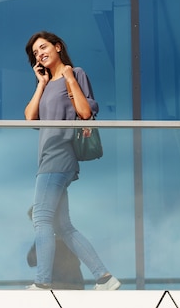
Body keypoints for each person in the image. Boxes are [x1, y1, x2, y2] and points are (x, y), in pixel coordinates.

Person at [23, 31, 121, 290]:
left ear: (57, 47)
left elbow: (85, 111)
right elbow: (30, 118)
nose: (40, 54)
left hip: (60, 155)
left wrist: (68, 76)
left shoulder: (74, 73)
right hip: (46, 158)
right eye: (35, 53)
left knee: (42, 219)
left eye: (43, 48)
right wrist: (41, 84)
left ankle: (42, 284)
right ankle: (105, 278)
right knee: (64, 227)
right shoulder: (44, 85)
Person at [26, 206, 85, 290]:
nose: (35, 224)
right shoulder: (62, 236)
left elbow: (32, 260)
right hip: (70, 287)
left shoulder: (55, 238)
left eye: (35, 220)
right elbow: (31, 261)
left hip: (64, 288)